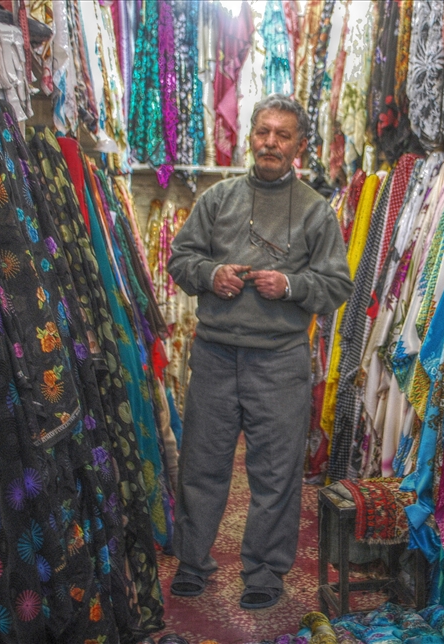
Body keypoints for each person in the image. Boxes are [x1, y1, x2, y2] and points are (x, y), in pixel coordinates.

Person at [167, 94, 352, 610]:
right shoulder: (217, 199)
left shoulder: (317, 211)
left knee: (276, 472)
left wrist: (291, 285)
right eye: (263, 132)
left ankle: (266, 571)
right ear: (249, 135)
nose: (270, 142)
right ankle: (192, 560)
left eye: (282, 135)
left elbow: (337, 284)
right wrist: (211, 274)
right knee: (201, 464)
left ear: (299, 146)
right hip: (215, 355)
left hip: (280, 361)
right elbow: (181, 259)